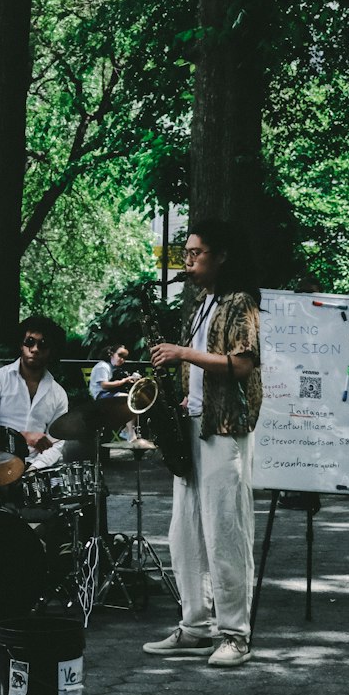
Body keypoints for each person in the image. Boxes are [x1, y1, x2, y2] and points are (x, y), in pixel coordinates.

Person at [142, 219, 263, 668]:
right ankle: (195, 626)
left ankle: (235, 634)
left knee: (224, 532)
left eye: (197, 253)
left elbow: (243, 364)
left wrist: (183, 353)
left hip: (224, 430)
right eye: (186, 253)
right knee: (184, 534)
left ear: (222, 256)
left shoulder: (239, 303)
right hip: (192, 426)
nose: (188, 260)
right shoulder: (201, 304)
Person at [0, 315, 69, 473]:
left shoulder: (58, 394)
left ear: (52, 350)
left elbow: (57, 444)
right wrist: (22, 437)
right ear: (21, 345)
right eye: (30, 342)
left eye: (43, 344)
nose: (35, 349)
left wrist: (35, 468)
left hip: (36, 472)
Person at [89, 342, 140, 445]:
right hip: (101, 397)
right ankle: (129, 432)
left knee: (132, 399)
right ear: (111, 354)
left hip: (107, 396)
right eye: (120, 355)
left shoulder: (111, 367)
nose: (122, 359)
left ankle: (128, 431)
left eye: (124, 357)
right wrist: (124, 380)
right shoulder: (102, 366)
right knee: (129, 399)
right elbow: (104, 385)